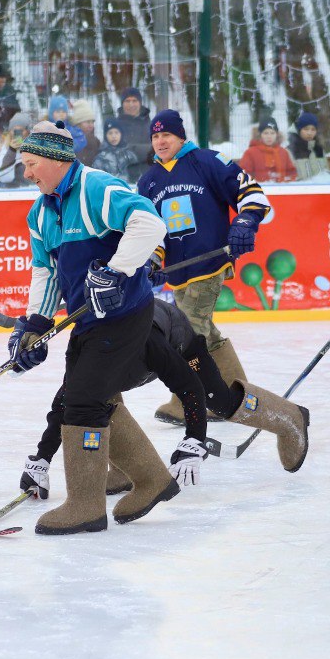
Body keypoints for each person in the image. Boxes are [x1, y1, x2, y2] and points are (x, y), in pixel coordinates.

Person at [8, 120, 185, 535]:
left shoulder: (95, 188)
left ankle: (86, 506)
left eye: (32, 163)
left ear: (55, 160)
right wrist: (35, 323)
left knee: (83, 401)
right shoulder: (40, 212)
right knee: (91, 396)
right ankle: (153, 478)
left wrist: (116, 271)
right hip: (88, 318)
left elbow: (149, 222)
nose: (27, 173)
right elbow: (45, 272)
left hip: (124, 314)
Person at [20, 297, 311, 504]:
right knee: (91, 398)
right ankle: (122, 471)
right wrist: (41, 461)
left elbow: (190, 388)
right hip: (118, 343)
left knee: (218, 400)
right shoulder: (89, 353)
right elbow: (66, 404)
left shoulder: (152, 347)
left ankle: (290, 418)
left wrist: (194, 440)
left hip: (173, 334)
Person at [136, 109, 272, 426]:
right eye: (155, 137)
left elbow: (252, 193)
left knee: (190, 331)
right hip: (178, 271)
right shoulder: (148, 180)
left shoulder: (207, 161)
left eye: (166, 134)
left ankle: (187, 401)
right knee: (206, 334)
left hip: (208, 263)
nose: (160, 141)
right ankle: (239, 394)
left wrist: (246, 221)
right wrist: (150, 260)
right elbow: (150, 229)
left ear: (180, 136)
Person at [239, 117, 298, 183]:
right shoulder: (250, 153)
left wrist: (287, 181)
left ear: (277, 135)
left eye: (272, 133)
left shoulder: (283, 152)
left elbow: (291, 173)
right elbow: (244, 175)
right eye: (266, 133)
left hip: (281, 190)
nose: (269, 136)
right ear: (260, 134)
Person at [112, 87, 153, 182]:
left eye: (134, 100)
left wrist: (132, 148)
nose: (131, 104)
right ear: (122, 104)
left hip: (147, 172)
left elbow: (154, 149)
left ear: (140, 103)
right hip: (123, 174)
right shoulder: (115, 125)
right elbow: (112, 149)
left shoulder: (150, 124)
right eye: (127, 101)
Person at [0, 111, 31, 188]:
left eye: (21, 130)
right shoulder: (5, 150)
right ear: (10, 132)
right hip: (11, 191)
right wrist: (12, 151)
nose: (17, 134)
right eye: (15, 131)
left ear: (27, 132)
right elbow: (3, 177)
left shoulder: (34, 148)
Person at [288, 111, 328, 180]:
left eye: (313, 129)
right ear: (299, 130)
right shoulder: (290, 151)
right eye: (306, 129)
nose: (309, 133)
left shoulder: (319, 150)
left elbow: (326, 173)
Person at [70, 100, 100, 165]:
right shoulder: (71, 139)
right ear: (78, 123)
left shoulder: (95, 140)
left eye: (92, 122)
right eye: (87, 122)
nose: (91, 125)